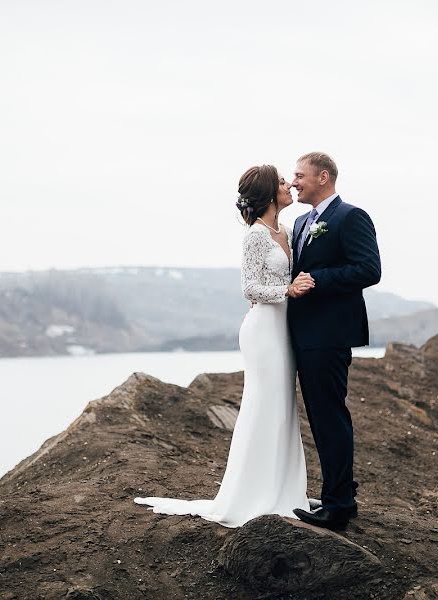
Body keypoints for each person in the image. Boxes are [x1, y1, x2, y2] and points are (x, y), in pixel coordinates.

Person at [134, 165, 316, 527]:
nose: (288, 185)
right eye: (282, 182)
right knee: (262, 405)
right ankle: (253, 492)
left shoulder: (288, 229)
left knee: (282, 406)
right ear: (268, 193)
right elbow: (250, 288)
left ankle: (283, 487)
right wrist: (288, 289)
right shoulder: (255, 236)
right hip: (264, 330)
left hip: (285, 329)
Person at [288, 152, 381, 531]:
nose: (294, 182)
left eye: (299, 175)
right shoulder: (298, 222)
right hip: (303, 334)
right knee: (322, 417)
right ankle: (339, 493)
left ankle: (338, 505)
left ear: (322, 177)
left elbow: (369, 269)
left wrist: (318, 279)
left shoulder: (350, 217)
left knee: (330, 418)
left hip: (329, 334)